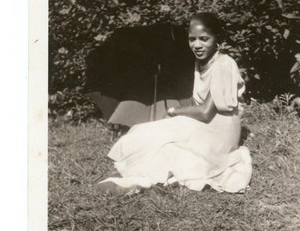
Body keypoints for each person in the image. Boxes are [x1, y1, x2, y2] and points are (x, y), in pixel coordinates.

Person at [97, 12, 252, 195]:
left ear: (217, 38)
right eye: (192, 39)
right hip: (206, 124)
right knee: (158, 135)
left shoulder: (224, 64)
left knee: (168, 139)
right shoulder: (199, 63)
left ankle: (142, 180)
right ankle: (139, 180)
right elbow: (198, 104)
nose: (197, 45)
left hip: (220, 129)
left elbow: (205, 112)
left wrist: (174, 111)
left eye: (204, 39)